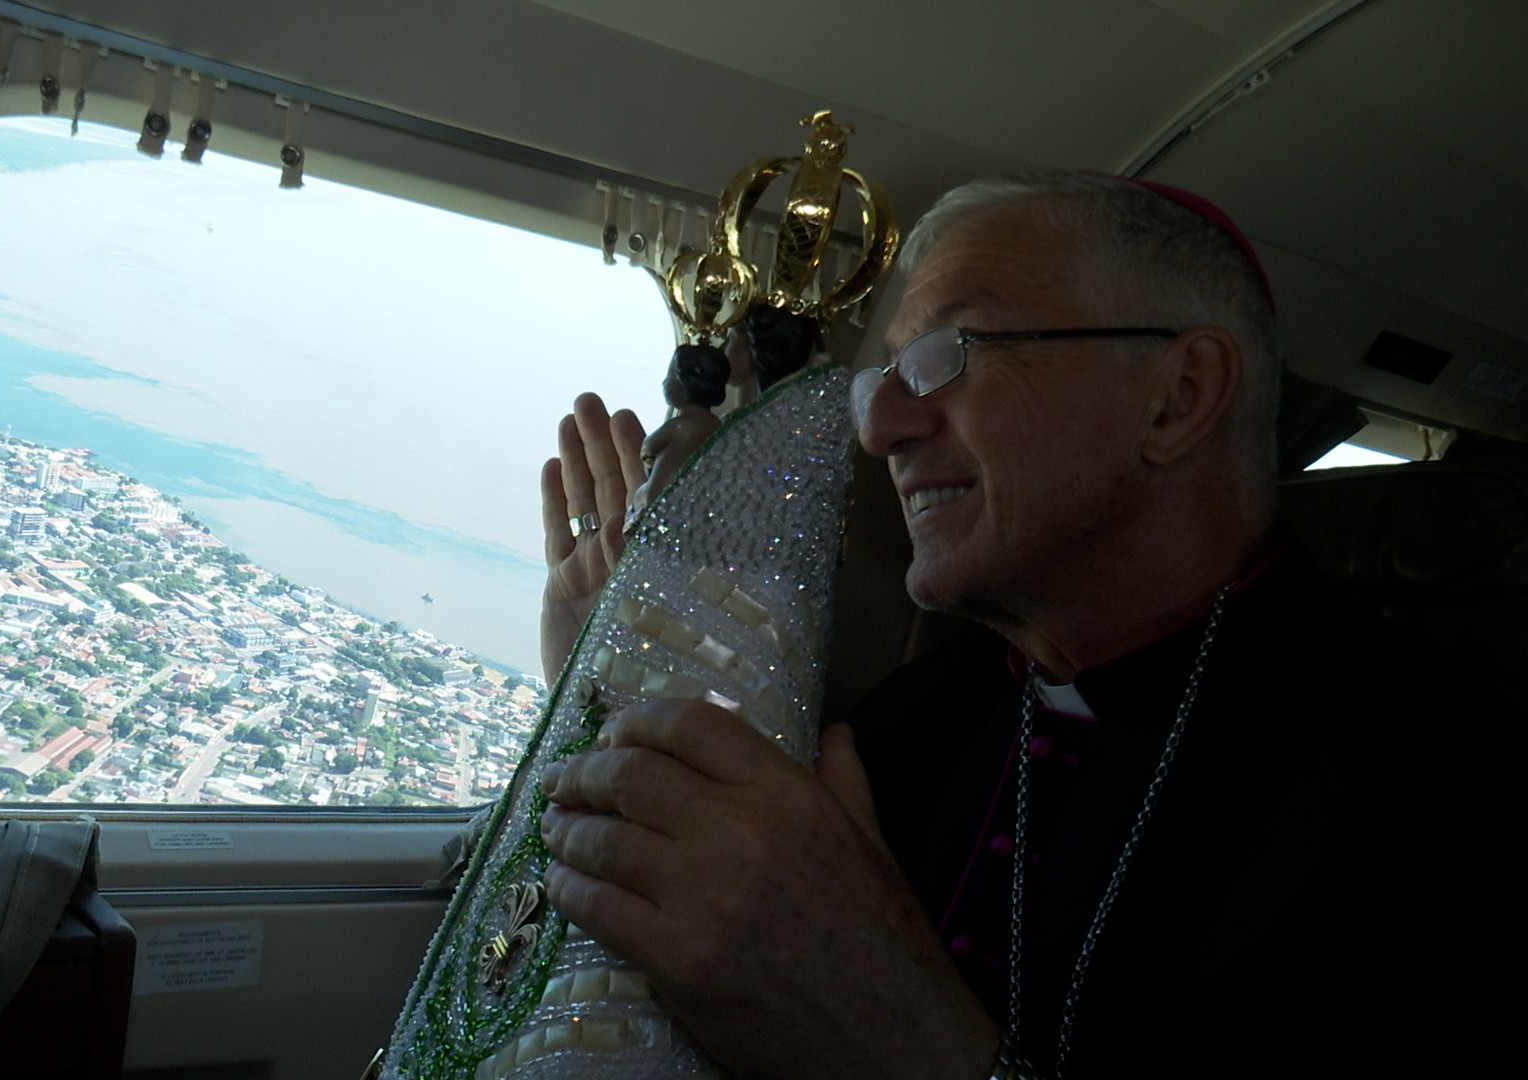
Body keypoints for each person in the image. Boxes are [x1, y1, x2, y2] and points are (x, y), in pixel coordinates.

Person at [532, 170, 1511, 1078]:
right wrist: (606, 679)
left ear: (1176, 397)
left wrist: (911, 1046)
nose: (878, 430)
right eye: (882, 382)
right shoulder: (912, 719)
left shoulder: (1445, 794)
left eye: (946, 354)